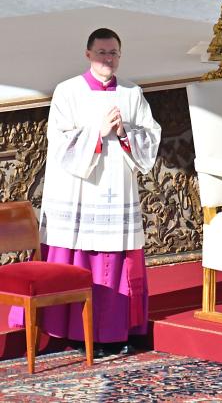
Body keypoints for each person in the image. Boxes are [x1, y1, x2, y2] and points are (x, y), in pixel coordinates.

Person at [9, 28, 162, 356]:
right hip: (80, 190)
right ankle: (74, 331)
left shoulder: (132, 93)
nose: (109, 59)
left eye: (114, 53)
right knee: (80, 256)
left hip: (117, 187)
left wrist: (124, 132)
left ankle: (116, 331)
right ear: (89, 54)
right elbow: (59, 140)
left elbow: (150, 136)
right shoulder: (68, 92)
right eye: (103, 52)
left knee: (115, 257)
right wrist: (97, 132)